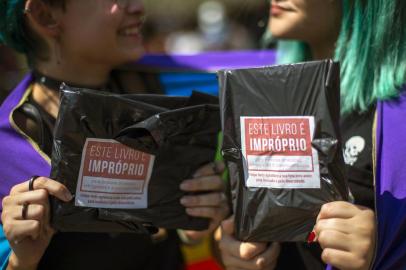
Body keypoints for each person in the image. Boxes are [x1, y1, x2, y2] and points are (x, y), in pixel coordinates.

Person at [0, 0, 229, 269]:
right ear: (45, 15)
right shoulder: (10, 148)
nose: (139, 8)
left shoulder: (172, 93)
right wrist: (20, 261)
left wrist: (195, 227)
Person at [219, 0, 406, 269]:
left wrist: (387, 249)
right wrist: (231, 250)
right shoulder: (260, 94)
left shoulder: (396, 117)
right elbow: (233, 229)